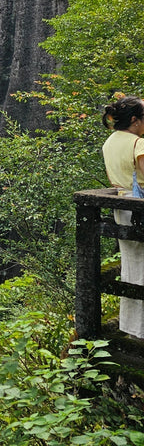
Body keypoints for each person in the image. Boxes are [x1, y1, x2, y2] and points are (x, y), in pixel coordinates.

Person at [102, 94, 144, 338]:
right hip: (139, 208)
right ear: (135, 120)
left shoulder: (110, 142)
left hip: (122, 207)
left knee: (133, 266)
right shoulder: (138, 143)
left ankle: (133, 328)